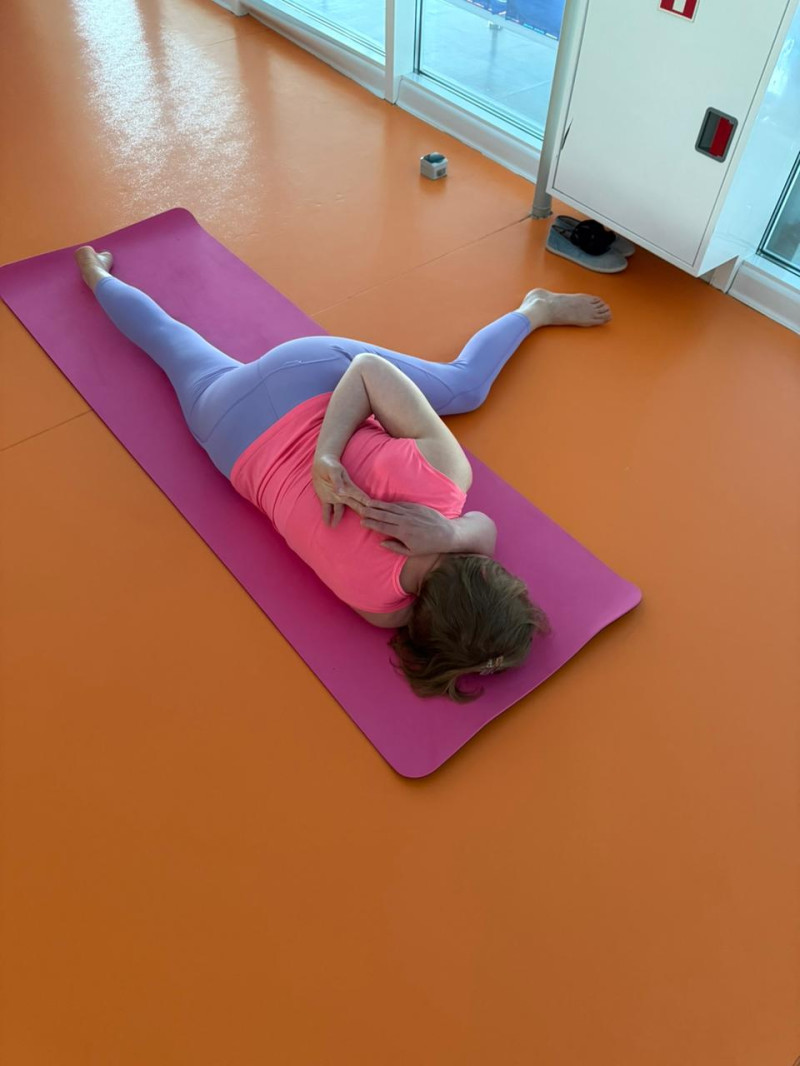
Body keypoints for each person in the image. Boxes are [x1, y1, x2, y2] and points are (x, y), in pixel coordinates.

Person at [75, 246, 611, 700]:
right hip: (226, 432)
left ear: (487, 573)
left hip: (301, 377)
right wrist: (445, 535)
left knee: (465, 386)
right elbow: (480, 534)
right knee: (167, 342)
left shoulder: (445, 480)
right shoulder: (380, 610)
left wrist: (327, 455)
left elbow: (367, 373)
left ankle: (535, 307)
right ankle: (96, 276)